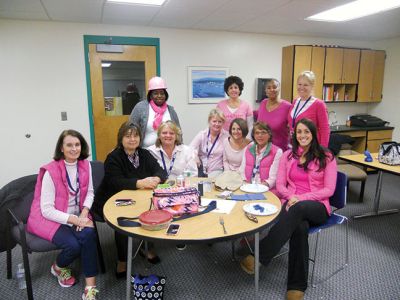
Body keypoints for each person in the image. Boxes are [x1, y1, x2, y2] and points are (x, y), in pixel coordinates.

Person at [240, 118, 337, 300]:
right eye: (299, 132)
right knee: (299, 228)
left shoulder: (327, 156)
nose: (302, 135)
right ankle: (297, 286)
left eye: (306, 132)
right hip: (292, 204)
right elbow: (280, 184)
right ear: (294, 134)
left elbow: (328, 190)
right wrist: (290, 197)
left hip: (317, 206)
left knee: (298, 209)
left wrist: (299, 198)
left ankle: (261, 256)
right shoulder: (288, 155)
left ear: (313, 134)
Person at [27, 130, 99, 300]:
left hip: (77, 214)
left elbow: (90, 193)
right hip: (51, 218)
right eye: (69, 145)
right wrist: (75, 220)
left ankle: (90, 287)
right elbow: (46, 210)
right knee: (73, 246)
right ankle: (58, 267)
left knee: (89, 234)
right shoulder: (50, 171)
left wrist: (84, 212)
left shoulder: (85, 165)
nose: (74, 149)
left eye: (77, 144)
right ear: (61, 148)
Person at [93, 122, 167, 278]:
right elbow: (115, 181)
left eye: (135, 135)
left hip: (138, 197)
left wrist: (156, 178)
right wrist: (139, 183)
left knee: (152, 211)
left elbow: (160, 170)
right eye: (128, 136)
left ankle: (146, 247)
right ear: (121, 138)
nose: (132, 139)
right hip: (112, 199)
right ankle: (122, 259)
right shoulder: (114, 157)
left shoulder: (144, 154)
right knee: (123, 220)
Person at [129, 76, 181, 148]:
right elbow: (131, 128)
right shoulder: (140, 107)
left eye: (162, 93)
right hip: (145, 151)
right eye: (155, 93)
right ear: (150, 95)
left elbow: (178, 132)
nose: (159, 96)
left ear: (165, 95)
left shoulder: (171, 110)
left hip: (167, 151)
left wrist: (180, 149)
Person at [288, 71, 330, 147]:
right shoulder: (295, 102)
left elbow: (325, 129)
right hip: (295, 145)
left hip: (312, 147)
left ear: (312, 86)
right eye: (299, 84)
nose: (301, 87)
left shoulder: (319, 104)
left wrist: (323, 150)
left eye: (305, 85)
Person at [239, 122, 282, 192]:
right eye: (257, 133)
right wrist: (246, 184)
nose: (260, 135)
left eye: (263, 133)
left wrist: (260, 188)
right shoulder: (248, 148)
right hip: (247, 186)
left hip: (266, 189)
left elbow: (273, 178)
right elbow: (242, 170)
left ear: (269, 135)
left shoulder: (277, 152)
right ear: (253, 135)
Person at [190, 109, 229, 178]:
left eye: (220, 122)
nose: (217, 124)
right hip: (201, 170)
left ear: (223, 123)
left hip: (217, 171)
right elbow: (190, 149)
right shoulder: (202, 134)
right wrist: (195, 156)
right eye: (214, 121)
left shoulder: (226, 136)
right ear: (209, 121)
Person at [257, 78, 291, 151]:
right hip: (263, 149)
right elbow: (258, 125)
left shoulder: (288, 106)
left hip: (280, 150)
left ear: (279, 89)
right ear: (265, 91)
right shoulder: (263, 103)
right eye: (268, 88)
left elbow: (292, 128)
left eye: (274, 87)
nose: (272, 89)